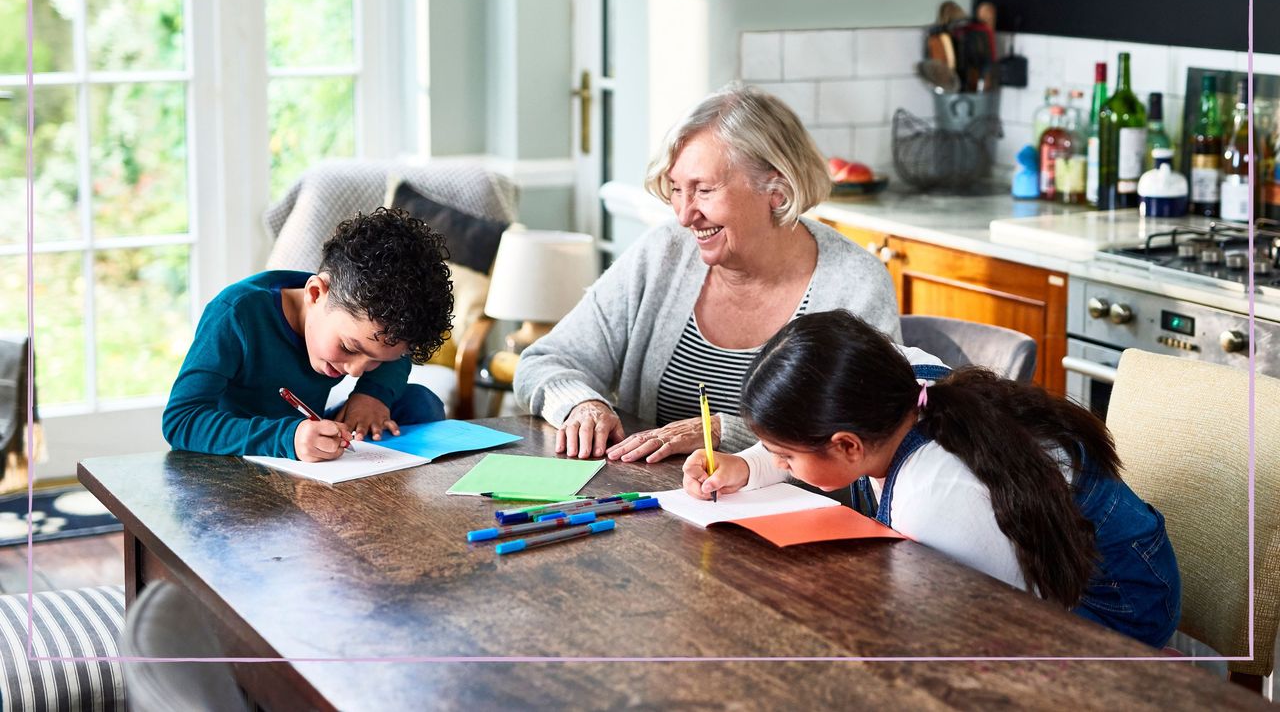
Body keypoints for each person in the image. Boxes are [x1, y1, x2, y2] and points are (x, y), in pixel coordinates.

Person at [683, 310, 1181, 648]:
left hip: (1116, 602)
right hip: (1051, 555)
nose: (781, 464)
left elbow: (996, 624)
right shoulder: (893, 381)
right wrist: (748, 466)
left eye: (784, 457)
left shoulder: (935, 498)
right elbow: (806, 435)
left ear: (848, 445)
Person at [514, 83, 900, 461]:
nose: (684, 216)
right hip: (649, 510)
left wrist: (720, 432)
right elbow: (543, 361)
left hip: (792, 518)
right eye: (677, 189)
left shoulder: (855, 283)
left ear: (777, 190)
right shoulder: (664, 252)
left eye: (704, 190)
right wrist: (582, 404)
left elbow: (870, 432)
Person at [163, 207, 454, 462]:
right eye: (349, 347)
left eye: (375, 360)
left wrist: (372, 394)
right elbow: (181, 420)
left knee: (419, 402)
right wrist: (287, 438)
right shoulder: (237, 314)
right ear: (315, 293)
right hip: (240, 455)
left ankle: (381, 494)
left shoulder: (362, 322)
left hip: (310, 440)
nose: (355, 371)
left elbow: (393, 355)